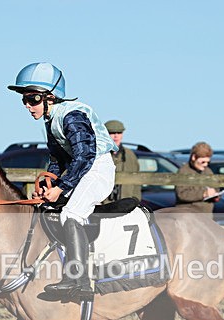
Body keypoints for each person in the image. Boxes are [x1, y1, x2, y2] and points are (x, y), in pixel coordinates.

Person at [8, 62, 117, 300]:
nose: (28, 106)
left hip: (98, 170)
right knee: (48, 210)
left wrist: (62, 187)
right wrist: (49, 184)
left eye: (33, 99)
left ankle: (78, 280)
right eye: (25, 100)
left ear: (51, 97)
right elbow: (58, 160)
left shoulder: (72, 115)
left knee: (71, 215)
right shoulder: (51, 119)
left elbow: (85, 156)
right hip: (84, 170)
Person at [174, 141, 219, 214]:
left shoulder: (208, 171)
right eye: (203, 162)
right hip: (188, 216)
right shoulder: (183, 172)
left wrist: (216, 195)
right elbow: (182, 194)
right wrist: (203, 194)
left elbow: (215, 187)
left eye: (208, 162)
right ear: (194, 157)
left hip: (206, 216)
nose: (205, 165)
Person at [104, 119, 140, 201]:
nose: (116, 136)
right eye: (112, 133)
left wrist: (135, 200)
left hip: (125, 203)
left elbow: (137, 181)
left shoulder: (130, 155)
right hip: (103, 206)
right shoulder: (99, 155)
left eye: (119, 133)